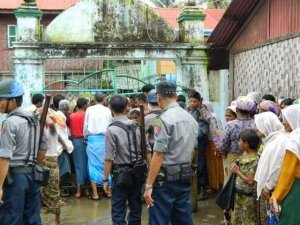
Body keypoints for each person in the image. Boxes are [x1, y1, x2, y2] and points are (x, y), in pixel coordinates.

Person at [144, 81, 198, 225]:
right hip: (185, 176)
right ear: (175, 95)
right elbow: (193, 150)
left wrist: (149, 185)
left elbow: (158, 154)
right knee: (183, 220)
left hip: (164, 181)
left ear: (158, 97)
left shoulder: (161, 120)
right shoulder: (191, 119)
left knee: (159, 220)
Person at [0, 80, 48, 225]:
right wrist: (36, 165)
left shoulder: (9, 123)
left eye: (1, 99)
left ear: (13, 101)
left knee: (11, 219)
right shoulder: (34, 120)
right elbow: (43, 148)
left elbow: (4, 159)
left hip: (15, 179)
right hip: (33, 176)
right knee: (32, 219)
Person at [103, 95, 146, 225]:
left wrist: (105, 179)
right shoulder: (138, 126)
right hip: (138, 171)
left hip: (121, 173)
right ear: (127, 108)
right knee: (135, 206)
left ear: (110, 107)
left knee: (118, 209)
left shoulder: (112, 129)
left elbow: (109, 157)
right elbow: (147, 150)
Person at [188, 90, 223, 200]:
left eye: (194, 101)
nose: (192, 103)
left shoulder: (203, 111)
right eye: (191, 101)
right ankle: (196, 189)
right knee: (193, 163)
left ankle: (203, 189)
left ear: (200, 101)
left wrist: (214, 137)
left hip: (200, 140)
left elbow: (212, 121)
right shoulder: (189, 110)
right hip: (191, 140)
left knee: (200, 164)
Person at [269, 105, 300, 225]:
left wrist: (276, 196)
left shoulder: (295, 141)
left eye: (286, 118)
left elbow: (288, 172)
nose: (283, 122)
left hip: (296, 189)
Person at [84, 92, 112, 200]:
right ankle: (109, 191)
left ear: (94, 99)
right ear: (104, 100)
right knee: (106, 163)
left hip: (92, 140)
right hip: (105, 139)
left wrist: (85, 136)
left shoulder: (89, 110)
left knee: (92, 165)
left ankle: (95, 193)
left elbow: (85, 126)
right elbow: (110, 125)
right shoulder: (107, 110)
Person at [218, 96, 257, 175]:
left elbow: (223, 144)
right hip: (252, 156)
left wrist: (223, 152)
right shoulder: (256, 123)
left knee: (231, 180)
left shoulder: (230, 125)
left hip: (233, 156)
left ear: (237, 111)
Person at [231, 129, 260, 225]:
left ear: (246, 144)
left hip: (248, 198)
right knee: (238, 218)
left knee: (248, 219)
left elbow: (250, 181)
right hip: (239, 195)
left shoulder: (255, 160)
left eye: (240, 141)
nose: (239, 143)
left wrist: (237, 172)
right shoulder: (244, 154)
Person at [69, 97, 89, 198]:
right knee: (88, 164)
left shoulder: (72, 116)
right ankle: (87, 189)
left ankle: (78, 191)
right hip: (87, 141)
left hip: (76, 141)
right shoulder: (87, 115)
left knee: (78, 165)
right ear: (85, 105)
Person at [144, 89, 162, 161]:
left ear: (149, 103)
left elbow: (143, 137)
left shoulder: (147, 118)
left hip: (153, 151)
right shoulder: (170, 115)